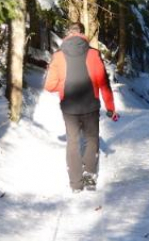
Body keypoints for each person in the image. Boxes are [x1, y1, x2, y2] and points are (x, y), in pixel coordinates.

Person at [44, 22, 119, 192]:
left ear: (68, 34)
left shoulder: (58, 56)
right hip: (90, 105)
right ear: (83, 34)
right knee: (92, 139)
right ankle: (90, 177)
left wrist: (64, 86)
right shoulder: (93, 54)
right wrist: (111, 108)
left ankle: (76, 184)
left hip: (69, 107)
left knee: (72, 142)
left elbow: (49, 85)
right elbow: (103, 83)